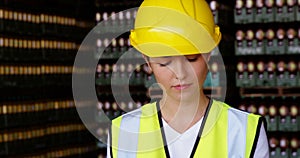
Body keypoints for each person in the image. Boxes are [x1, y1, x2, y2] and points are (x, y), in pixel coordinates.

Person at [107, 0, 269, 157]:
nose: (180, 73)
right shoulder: (123, 133)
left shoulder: (245, 132)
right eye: (165, 61)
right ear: (148, 61)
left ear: (209, 54)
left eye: (191, 58)